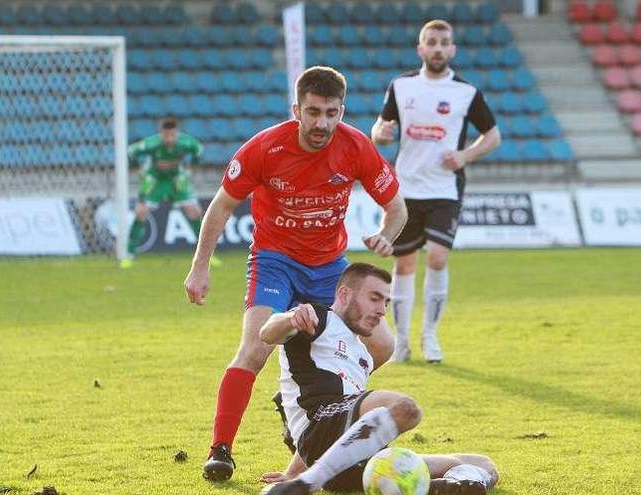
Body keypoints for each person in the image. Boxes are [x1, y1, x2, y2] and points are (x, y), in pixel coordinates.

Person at [183, 66, 408, 482]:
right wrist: (199, 268)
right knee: (255, 349)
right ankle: (221, 449)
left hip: (329, 269)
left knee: (383, 346)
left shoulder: (356, 146)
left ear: (342, 111)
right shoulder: (265, 148)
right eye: (313, 112)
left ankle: (304, 398)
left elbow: (397, 208)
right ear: (297, 110)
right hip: (275, 261)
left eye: (332, 113)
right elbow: (220, 207)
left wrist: (385, 235)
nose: (322, 122)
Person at [259, 263, 499, 495]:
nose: (382, 310)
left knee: (481, 463)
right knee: (404, 408)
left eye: (386, 302)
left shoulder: (362, 354)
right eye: (374, 298)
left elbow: (349, 425)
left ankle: (451, 487)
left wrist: (292, 473)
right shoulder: (319, 319)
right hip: (321, 427)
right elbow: (267, 332)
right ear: (344, 294)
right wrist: (290, 318)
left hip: (354, 459)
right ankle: (307, 484)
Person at [371, 19, 502, 363]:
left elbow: (492, 136)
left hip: (445, 188)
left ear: (452, 49)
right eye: (432, 42)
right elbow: (381, 128)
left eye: (444, 42)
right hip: (406, 187)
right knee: (404, 265)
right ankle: (401, 341)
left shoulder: (466, 93)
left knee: (439, 257)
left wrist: (465, 155)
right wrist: (379, 135)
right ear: (421, 49)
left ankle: (430, 336)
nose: (438, 48)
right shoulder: (401, 87)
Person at [123, 117, 217, 268]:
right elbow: (131, 151)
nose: (169, 139)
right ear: (161, 133)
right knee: (141, 212)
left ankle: (206, 255)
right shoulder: (151, 143)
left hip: (175, 177)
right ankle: (128, 254)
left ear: (177, 133)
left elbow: (198, 150)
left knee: (194, 211)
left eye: (172, 135)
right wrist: (138, 169)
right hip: (155, 178)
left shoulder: (185, 142)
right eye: (166, 135)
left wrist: (189, 169)